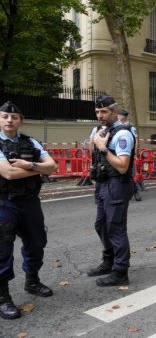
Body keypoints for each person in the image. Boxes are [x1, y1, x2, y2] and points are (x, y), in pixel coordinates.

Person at [0, 101, 58, 320]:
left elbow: (53, 166)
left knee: (36, 242)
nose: (9, 120)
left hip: (30, 202)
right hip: (4, 202)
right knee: (2, 250)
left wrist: (30, 166)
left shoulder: (30, 142)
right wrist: (38, 169)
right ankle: (3, 297)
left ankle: (32, 281)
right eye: (5, 116)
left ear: (20, 121)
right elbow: (8, 174)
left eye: (14, 117)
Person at [87, 95, 135, 287]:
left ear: (114, 112)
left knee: (115, 228)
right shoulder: (104, 131)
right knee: (101, 225)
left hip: (117, 184)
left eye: (104, 111)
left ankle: (121, 271)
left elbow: (123, 166)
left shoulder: (123, 134)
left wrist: (103, 148)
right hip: (102, 184)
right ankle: (109, 261)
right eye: (97, 112)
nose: (100, 115)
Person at [117, 110, 142, 201]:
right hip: (118, 152)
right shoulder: (116, 126)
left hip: (128, 153)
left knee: (128, 172)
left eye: (120, 115)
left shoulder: (131, 127)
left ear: (123, 117)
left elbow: (136, 140)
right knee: (120, 173)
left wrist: (135, 153)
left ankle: (134, 191)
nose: (118, 117)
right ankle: (124, 192)